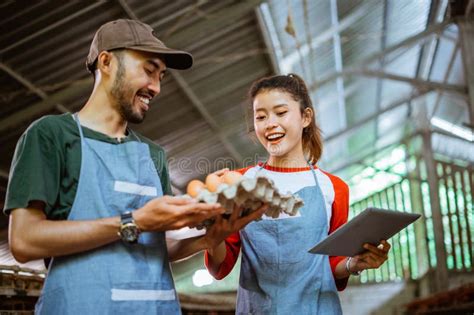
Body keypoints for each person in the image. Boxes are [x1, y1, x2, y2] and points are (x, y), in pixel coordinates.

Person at [3, 19, 228, 314]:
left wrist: (206, 240)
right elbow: (23, 241)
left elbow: (157, 246)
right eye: (149, 70)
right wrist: (132, 222)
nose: (157, 87)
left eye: (162, 76)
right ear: (106, 62)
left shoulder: (153, 154)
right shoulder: (53, 136)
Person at [203, 73, 392, 314]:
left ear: (305, 117)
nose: (270, 123)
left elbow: (331, 263)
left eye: (281, 113)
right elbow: (220, 267)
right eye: (261, 117)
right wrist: (212, 230)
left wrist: (354, 264)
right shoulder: (240, 183)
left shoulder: (333, 188)